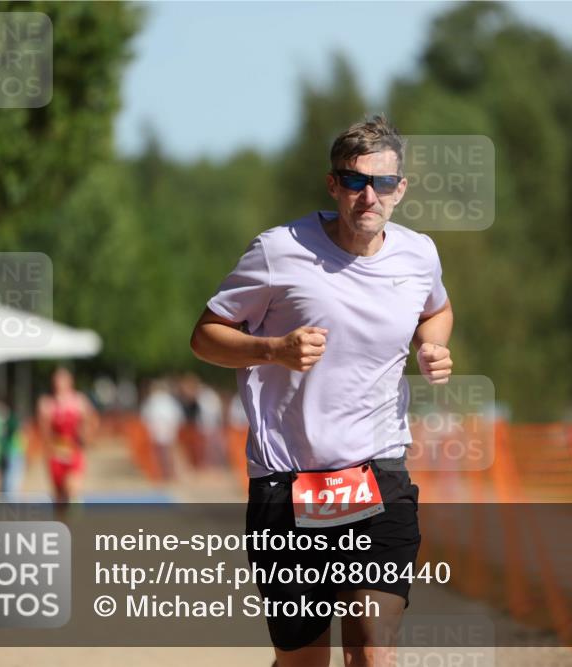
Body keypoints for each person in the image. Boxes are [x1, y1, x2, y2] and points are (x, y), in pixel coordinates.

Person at [190, 115, 453, 667]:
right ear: (333, 184)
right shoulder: (279, 251)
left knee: (372, 650)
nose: (368, 196)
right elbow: (205, 337)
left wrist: (431, 346)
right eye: (355, 181)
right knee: (304, 661)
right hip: (288, 484)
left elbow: (438, 308)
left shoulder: (418, 255)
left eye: (382, 183)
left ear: (400, 189)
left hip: (377, 474)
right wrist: (272, 350)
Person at [36, 367, 97, 505]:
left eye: (63, 380)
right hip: (56, 454)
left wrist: (86, 436)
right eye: (57, 380)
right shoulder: (46, 403)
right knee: (59, 498)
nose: (60, 383)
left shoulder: (79, 401)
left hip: (74, 452)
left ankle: (76, 523)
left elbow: (92, 420)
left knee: (73, 489)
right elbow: (44, 432)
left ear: (70, 381)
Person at [140, 379, 184, 480]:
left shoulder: (155, 400)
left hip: (161, 430)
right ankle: (167, 473)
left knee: (163, 453)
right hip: (164, 429)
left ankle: (166, 473)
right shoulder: (165, 400)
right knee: (166, 453)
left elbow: (146, 416)